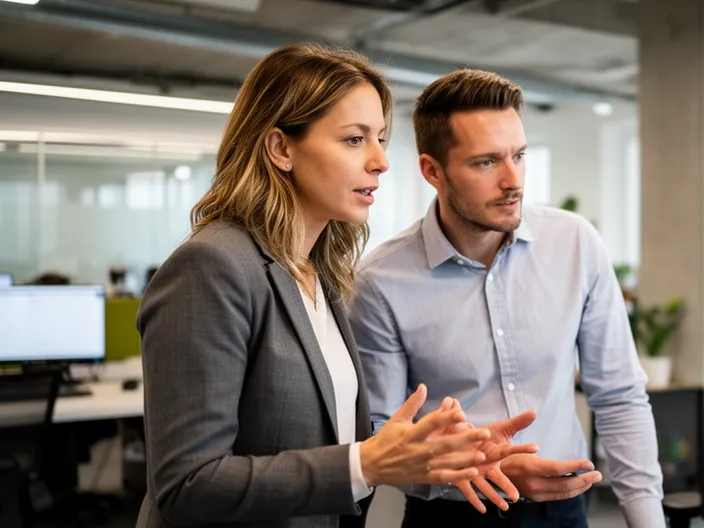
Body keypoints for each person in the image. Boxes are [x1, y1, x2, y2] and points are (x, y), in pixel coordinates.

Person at [134, 44, 534, 528]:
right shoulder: (213, 266)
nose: (381, 161)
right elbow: (186, 483)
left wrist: (434, 453)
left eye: (381, 139)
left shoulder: (318, 272)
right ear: (281, 148)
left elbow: (316, 434)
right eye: (353, 139)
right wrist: (363, 464)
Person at [349, 69, 666, 527]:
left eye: (519, 155)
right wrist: (478, 470)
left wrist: (647, 522)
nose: (512, 180)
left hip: (565, 511)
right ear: (432, 171)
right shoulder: (381, 280)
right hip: (452, 515)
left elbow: (618, 396)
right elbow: (382, 437)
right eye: (485, 162)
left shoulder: (574, 242)